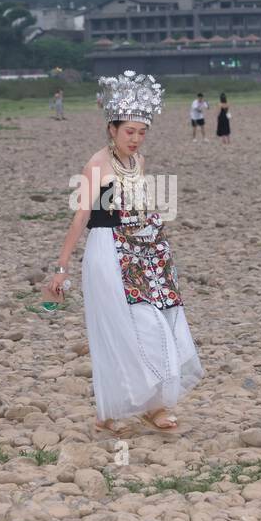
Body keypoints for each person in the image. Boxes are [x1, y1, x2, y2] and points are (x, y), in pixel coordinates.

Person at [46, 71, 203, 434]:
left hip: (143, 253)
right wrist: (61, 267)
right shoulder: (96, 165)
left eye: (141, 132)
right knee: (122, 329)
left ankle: (149, 406)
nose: (135, 139)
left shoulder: (139, 162)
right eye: (129, 131)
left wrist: (155, 245)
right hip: (106, 251)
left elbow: (141, 207)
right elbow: (82, 215)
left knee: (160, 321)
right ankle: (122, 409)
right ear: (112, 129)